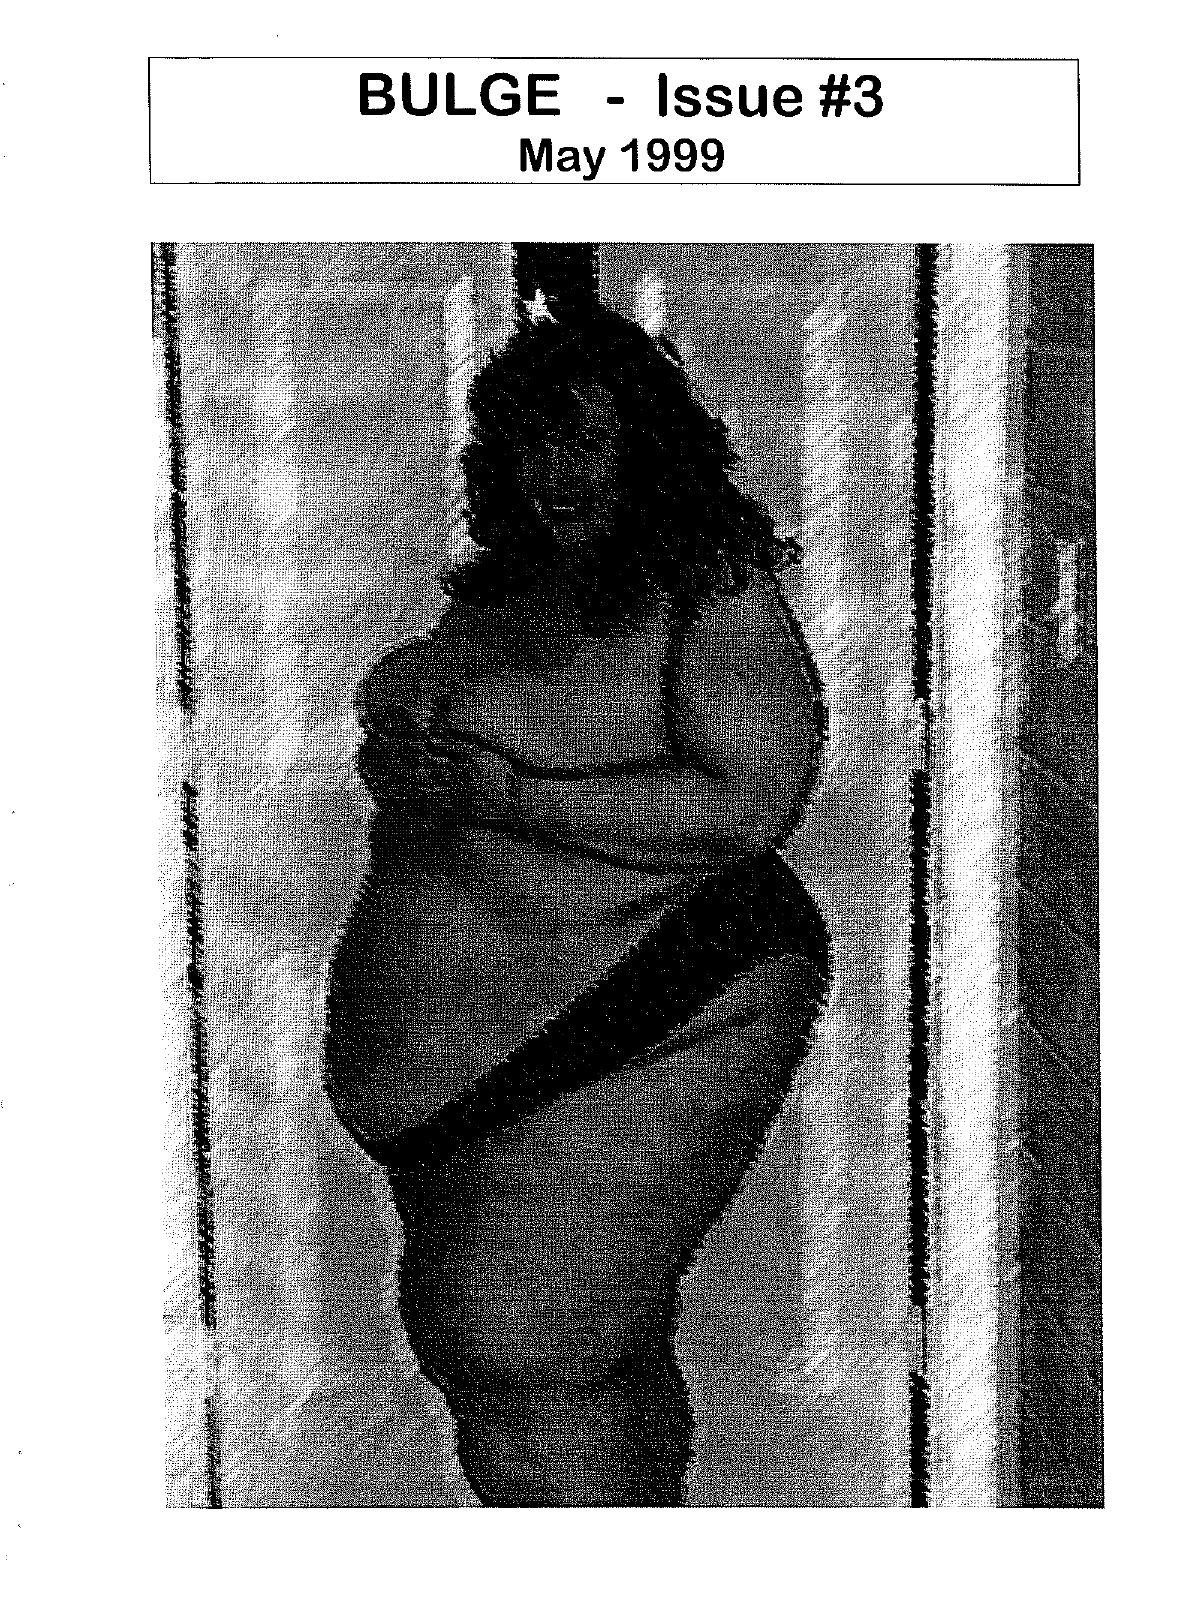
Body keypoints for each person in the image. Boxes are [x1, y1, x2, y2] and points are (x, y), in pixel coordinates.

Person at [323, 301, 830, 1506]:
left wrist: (510, 796)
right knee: (567, 1360)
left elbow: (747, 806)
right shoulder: (509, 590)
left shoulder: (709, 590)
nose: (555, 472)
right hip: (471, 1058)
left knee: (524, 1349)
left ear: (649, 447)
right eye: (529, 442)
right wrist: (405, 766)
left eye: (587, 441)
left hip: (642, 1009)